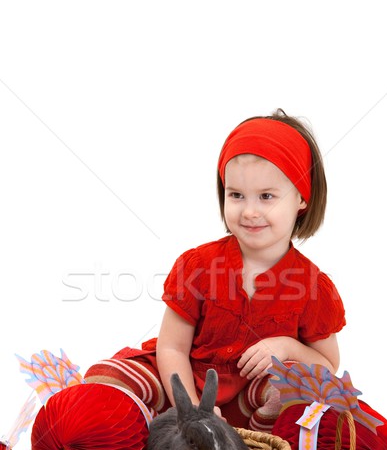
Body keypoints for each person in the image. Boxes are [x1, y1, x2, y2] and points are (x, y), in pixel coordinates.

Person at [84, 109, 346, 432]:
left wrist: (286, 347)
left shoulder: (313, 286)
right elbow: (171, 348)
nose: (249, 211)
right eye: (236, 195)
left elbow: (328, 366)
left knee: (292, 386)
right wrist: (191, 407)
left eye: (267, 197)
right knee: (103, 378)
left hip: (248, 403)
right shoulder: (198, 266)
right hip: (180, 387)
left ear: (301, 199)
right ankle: (151, 434)